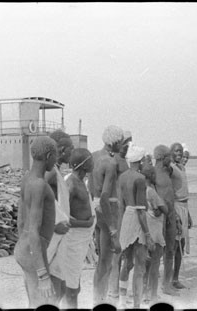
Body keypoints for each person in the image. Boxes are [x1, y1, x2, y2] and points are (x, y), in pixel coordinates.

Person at [14, 136, 58, 308]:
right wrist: (43, 274)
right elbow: (34, 230)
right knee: (45, 301)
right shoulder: (39, 185)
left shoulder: (26, 179)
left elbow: (20, 220)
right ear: (48, 156)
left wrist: (23, 245)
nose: (55, 162)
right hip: (33, 249)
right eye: (55, 157)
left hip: (24, 247)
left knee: (34, 300)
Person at [51, 148, 96, 308]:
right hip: (71, 242)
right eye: (90, 160)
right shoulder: (71, 183)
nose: (93, 162)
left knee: (73, 286)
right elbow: (63, 216)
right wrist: (86, 223)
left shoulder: (82, 182)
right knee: (71, 288)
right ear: (84, 165)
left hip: (80, 244)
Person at [89, 125, 124, 306]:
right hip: (107, 208)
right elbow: (104, 196)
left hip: (95, 207)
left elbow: (93, 189)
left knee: (102, 258)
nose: (123, 145)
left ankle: (98, 297)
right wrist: (112, 227)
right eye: (121, 142)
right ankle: (99, 300)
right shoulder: (110, 163)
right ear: (115, 143)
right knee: (107, 259)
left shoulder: (94, 156)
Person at [117, 144, 155, 308]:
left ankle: (122, 300)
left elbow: (121, 205)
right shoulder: (139, 179)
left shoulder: (122, 177)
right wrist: (147, 234)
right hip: (137, 219)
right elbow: (140, 211)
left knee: (127, 263)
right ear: (139, 161)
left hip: (126, 217)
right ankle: (137, 304)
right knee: (139, 266)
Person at [45, 130, 74, 304]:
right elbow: (37, 198)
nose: (73, 151)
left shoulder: (56, 171)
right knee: (54, 288)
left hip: (60, 235)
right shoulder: (50, 174)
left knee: (61, 287)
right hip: (52, 236)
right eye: (71, 148)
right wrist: (51, 225)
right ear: (62, 149)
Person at [108, 130, 132, 302]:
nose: (128, 146)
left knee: (125, 251)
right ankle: (113, 290)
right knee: (116, 251)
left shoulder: (125, 161)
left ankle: (120, 288)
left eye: (130, 142)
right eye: (126, 142)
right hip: (117, 209)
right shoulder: (114, 161)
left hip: (125, 208)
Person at [153, 145, 179, 296]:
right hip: (159, 216)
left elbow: (170, 194)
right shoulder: (152, 172)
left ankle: (167, 284)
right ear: (163, 157)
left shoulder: (168, 171)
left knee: (171, 249)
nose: (171, 159)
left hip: (171, 215)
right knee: (156, 251)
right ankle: (152, 283)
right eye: (169, 156)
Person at [141, 164, 168, 305]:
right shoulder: (151, 191)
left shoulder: (140, 190)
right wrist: (163, 206)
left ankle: (143, 293)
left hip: (145, 230)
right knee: (155, 265)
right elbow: (165, 209)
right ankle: (153, 295)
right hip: (155, 232)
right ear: (151, 176)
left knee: (144, 266)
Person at [170, 142, 192, 289]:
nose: (179, 154)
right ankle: (169, 278)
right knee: (173, 245)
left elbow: (184, 192)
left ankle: (175, 278)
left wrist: (188, 214)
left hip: (184, 206)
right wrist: (175, 215)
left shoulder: (182, 167)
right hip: (175, 207)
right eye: (176, 151)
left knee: (181, 244)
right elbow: (168, 191)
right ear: (171, 152)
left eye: (181, 152)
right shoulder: (170, 168)